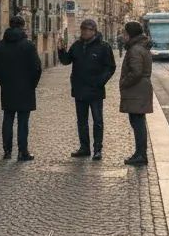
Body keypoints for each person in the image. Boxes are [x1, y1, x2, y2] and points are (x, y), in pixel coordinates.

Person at [58, 18, 116, 160]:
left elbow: (110, 67)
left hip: (95, 91)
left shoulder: (104, 47)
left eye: (87, 29)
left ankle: (97, 149)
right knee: (82, 121)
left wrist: (100, 82)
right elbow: (66, 61)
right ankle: (84, 148)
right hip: (79, 89)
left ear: (94, 31)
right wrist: (61, 50)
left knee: (97, 121)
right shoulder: (77, 45)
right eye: (82, 29)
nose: (84, 32)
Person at [0, 15, 42, 162]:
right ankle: (22, 152)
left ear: (10, 25)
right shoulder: (28, 45)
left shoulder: (0, 45)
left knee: (8, 119)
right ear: (22, 26)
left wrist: (3, 82)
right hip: (25, 88)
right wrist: (32, 84)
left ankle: (7, 152)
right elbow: (37, 68)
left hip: (8, 87)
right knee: (23, 122)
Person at [119, 20, 154, 166]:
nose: (123, 35)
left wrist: (123, 82)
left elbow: (136, 72)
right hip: (140, 89)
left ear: (130, 34)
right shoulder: (140, 47)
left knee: (138, 123)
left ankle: (140, 155)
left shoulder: (135, 49)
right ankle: (140, 153)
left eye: (124, 32)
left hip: (136, 90)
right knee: (138, 122)